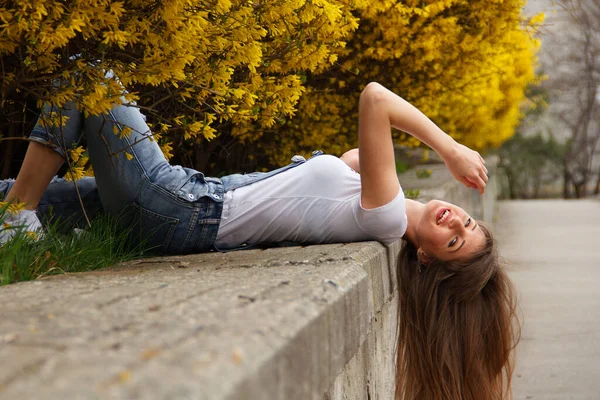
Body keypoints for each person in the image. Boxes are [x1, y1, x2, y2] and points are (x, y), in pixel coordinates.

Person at [0, 82, 518, 399]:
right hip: (186, 208)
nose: (456, 223)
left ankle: (20, 221)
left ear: (424, 258)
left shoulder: (383, 220)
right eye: (468, 225)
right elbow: (352, 162)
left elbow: (375, 99)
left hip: (178, 208)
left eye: (452, 241)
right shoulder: (384, 201)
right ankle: (17, 211)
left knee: (90, 79)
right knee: (10, 192)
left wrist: (449, 148)